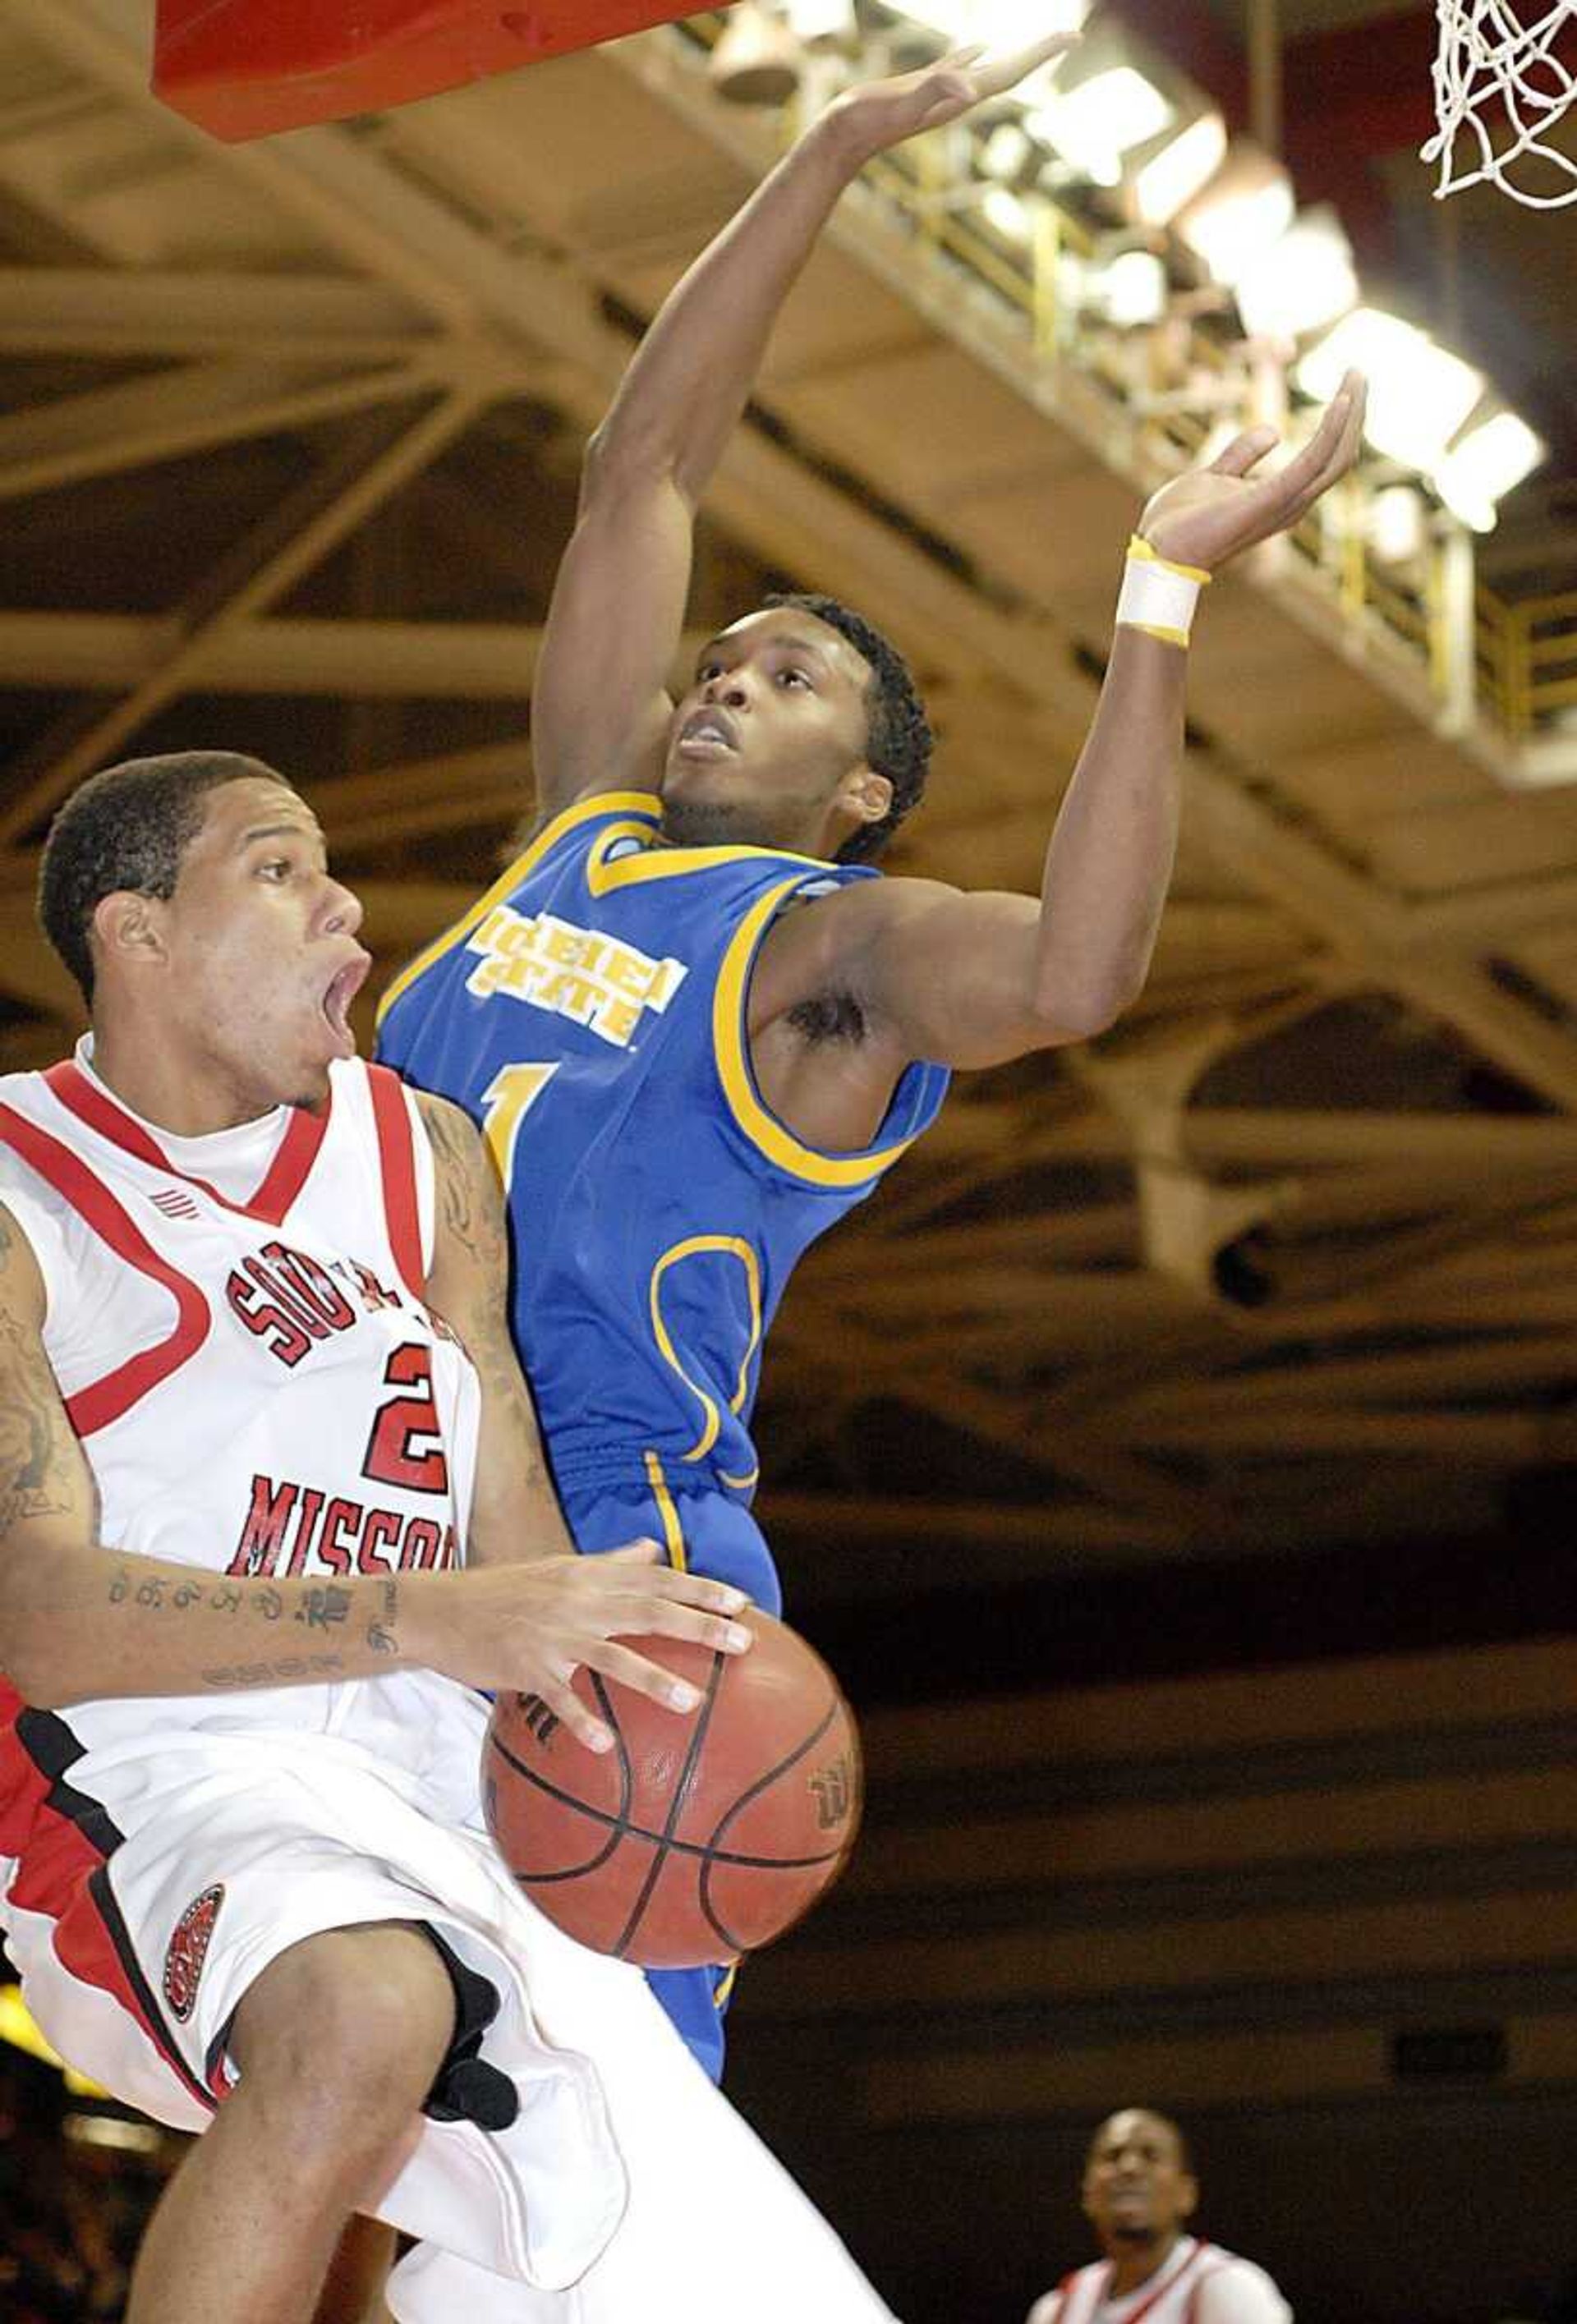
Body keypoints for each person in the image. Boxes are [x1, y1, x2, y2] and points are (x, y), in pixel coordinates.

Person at [375, 37, 1367, 2078]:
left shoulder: (831, 961)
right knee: (325, 2087)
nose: (723, 678)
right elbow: (639, 470)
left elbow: (1081, 974)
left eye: (791, 673)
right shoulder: (578, 826)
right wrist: (826, 146)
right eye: (721, 658)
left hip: (602, 1553)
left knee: (588, 2151)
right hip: (361, 1507)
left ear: (865, 795)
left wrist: (1160, 599)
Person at [0, 749, 908, 2324]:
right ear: (133, 933)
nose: (346, 904)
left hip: (448, 1776)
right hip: (153, 1767)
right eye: (280, 868)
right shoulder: (24, 1188)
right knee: (364, 2005)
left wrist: (608, 1690)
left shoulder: (421, 1156)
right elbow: (35, 1614)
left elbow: (509, 1521)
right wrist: (444, 1620)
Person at [1027, 2107, 1292, 2324]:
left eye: (1150, 2156)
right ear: (1087, 2193)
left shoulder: (1228, 2288)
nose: (1129, 2168)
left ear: (1186, 2194)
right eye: (1112, 2156)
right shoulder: (1058, 2307)